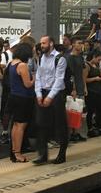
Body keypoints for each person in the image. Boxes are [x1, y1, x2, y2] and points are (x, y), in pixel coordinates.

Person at [34, 36, 68, 165]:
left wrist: (50, 97)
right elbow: (38, 76)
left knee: (60, 124)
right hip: (42, 92)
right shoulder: (41, 58)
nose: (41, 45)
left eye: (44, 43)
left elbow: (59, 80)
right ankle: (43, 155)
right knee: (41, 124)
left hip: (56, 94)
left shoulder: (60, 58)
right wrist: (38, 94)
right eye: (41, 43)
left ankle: (62, 154)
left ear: (51, 44)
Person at [8, 44, 35, 163]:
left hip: (14, 96)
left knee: (15, 125)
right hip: (23, 98)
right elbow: (28, 84)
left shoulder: (12, 63)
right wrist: (35, 77)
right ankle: (18, 153)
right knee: (21, 126)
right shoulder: (22, 65)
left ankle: (14, 151)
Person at [66, 37, 88, 142]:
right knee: (73, 111)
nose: (80, 45)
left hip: (80, 86)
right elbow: (71, 75)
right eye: (79, 43)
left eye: (81, 43)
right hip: (74, 88)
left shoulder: (80, 57)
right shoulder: (70, 58)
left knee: (79, 111)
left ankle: (77, 132)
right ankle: (71, 133)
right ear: (73, 44)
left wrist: (84, 86)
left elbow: (83, 72)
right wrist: (73, 88)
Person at [85, 51, 101, 137]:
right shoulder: (87, 66)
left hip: (99, 90)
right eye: (98, 59)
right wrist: (95, 79)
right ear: (94, 57)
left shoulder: (97, 65)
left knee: (100, 109)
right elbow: (84, 79)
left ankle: (99, 126)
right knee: (90, 110)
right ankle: (90, 129)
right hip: (91, 91)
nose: (99, 61)